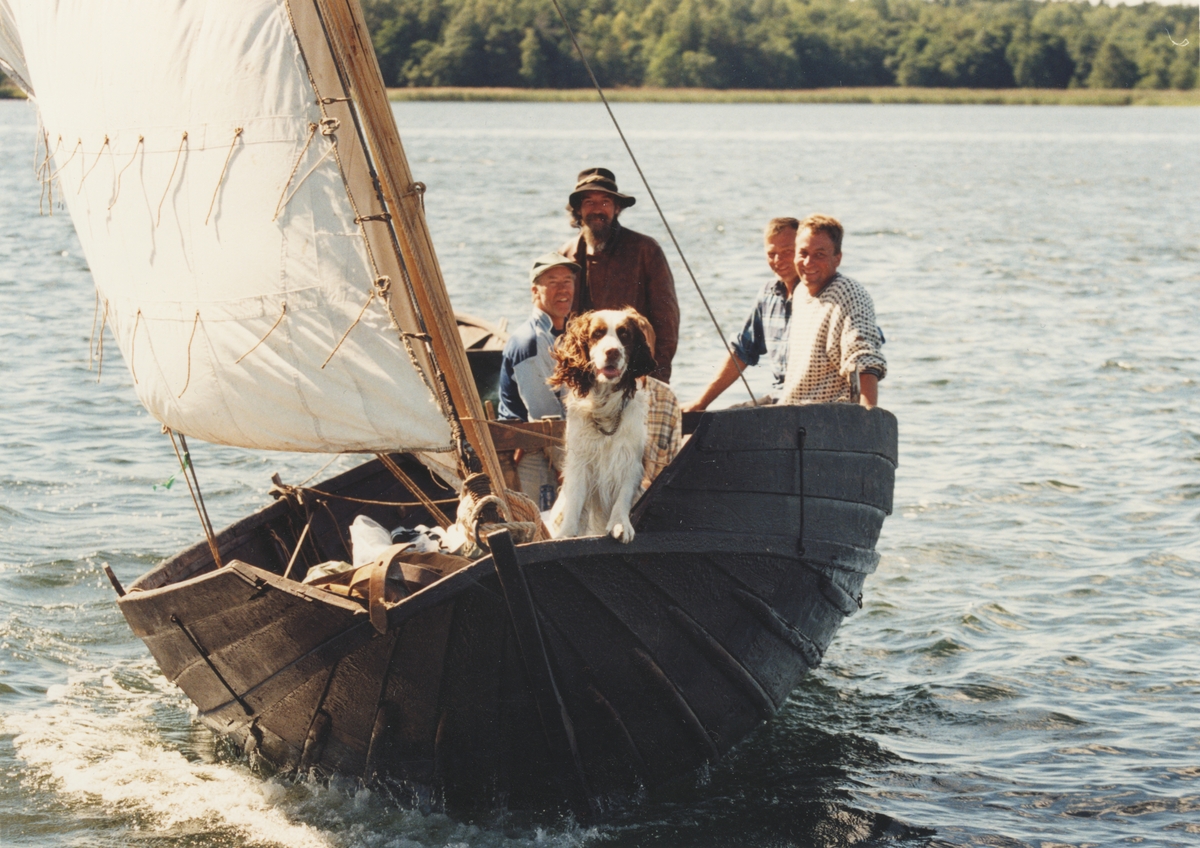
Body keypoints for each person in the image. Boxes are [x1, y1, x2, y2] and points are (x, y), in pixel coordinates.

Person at [558, 167, 680, 383]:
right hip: (585, 377)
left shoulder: (645, 249)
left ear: (617, 209)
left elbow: (666, 322)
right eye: (589, 202)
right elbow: (559, 323)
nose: (597, 210)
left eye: (605, 202)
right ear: (578, 211)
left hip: (635, 375)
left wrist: (655, 378)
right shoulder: (566, 254)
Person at [682, 217, 800, 412]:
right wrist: (701, 402)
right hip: (778, 397)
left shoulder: (816, 294)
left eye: (787, 252)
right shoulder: (768, 293)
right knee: (709, 425)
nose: (778, 261)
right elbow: (742, 352)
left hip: (809, 403)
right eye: (772, 254)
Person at [498, 253, 579, 508]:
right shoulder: (530, 341)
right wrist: (569, 473)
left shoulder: (563, 334)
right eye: (552, 282)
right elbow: (545, 417)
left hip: (559, 443)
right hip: (531, 449)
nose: (563, 288)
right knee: (538, 526)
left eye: (567, 281)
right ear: (535, 291)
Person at [780, 214, 885, 409]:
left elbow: (863, 358)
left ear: (837, 258)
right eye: (803, 253)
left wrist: (868, 419)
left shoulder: (848, 292)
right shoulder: (800, 291)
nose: (808, 262)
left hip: (829, 419)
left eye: (819, 254)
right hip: (791, 414)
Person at [632, 316, 681, 492]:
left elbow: (674, 465)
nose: (638, 353)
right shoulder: (600, 396)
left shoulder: (667, 397)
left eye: (644, 346)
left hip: (651, 501)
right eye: (631, 345)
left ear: (652, 352)